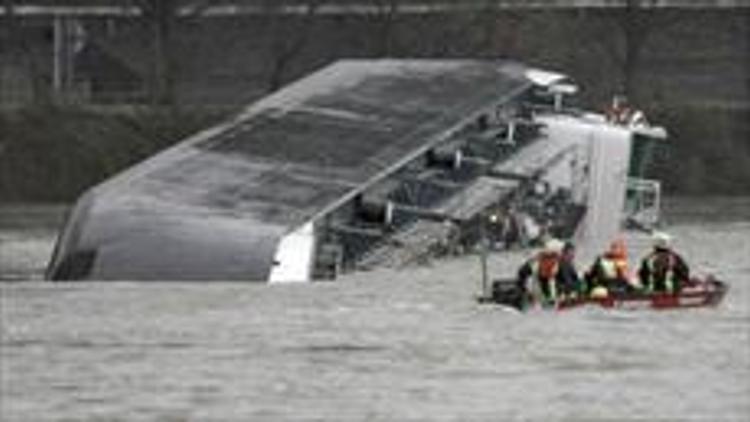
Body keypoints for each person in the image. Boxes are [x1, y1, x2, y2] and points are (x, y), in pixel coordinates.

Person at [517, 238, 565, 306]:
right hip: (538, 282)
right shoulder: (538, 262)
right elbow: (523, 273)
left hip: (543, 282)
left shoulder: (554, 261)